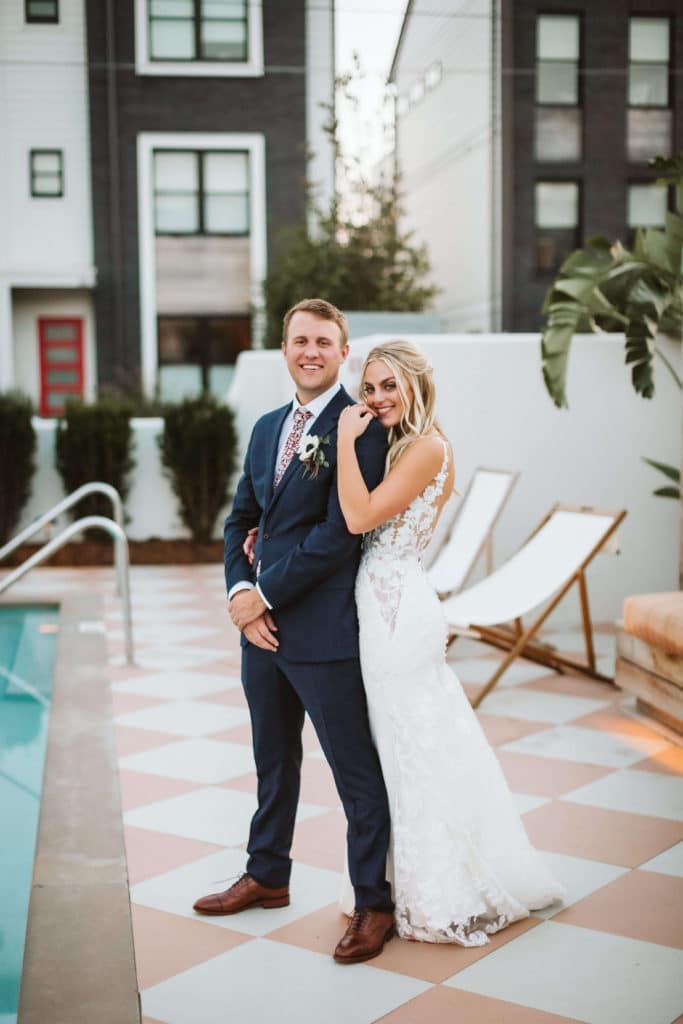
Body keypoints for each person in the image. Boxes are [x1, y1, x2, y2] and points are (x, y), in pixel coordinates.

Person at [334, 339, 565, 945]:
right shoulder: (395, 445)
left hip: (398, 617)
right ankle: (390, 883)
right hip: (377, 607)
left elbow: (360, 519)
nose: (377, 397)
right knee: (392, 749)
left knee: (412, 749)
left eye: (389, 385)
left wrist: (337, 440)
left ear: (414, 385)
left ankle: (439, 889)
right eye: (370, 387)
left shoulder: (429, 446)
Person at [192, 298, 396, 965]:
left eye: (323, 342)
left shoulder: (359, 427)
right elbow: (238, 521)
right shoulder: (264, 428)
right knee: (273, 759)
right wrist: (241, 592)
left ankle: (372, 902)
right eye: (299, 340)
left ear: (343, 352)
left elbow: (343, 534)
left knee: (353, 772)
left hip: (323, 628)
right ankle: (267, 873)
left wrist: (266, 593)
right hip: (262, 633)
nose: (310, 351)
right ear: (285, 349)